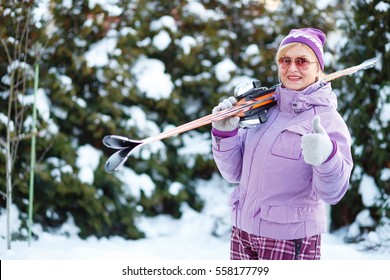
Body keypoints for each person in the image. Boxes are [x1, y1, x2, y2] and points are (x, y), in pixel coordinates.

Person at [211, 28, 353, 260]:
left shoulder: (327, 119)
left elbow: (333, 193)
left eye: (302, 61)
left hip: (290, 239)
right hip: (243, 233)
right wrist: (225, 134)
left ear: (318, 68)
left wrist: (328, 156)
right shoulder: (265, 110)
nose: (292, 68)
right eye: (285, 60)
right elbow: (233, 173)